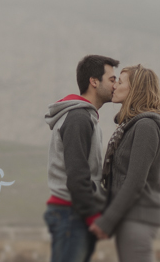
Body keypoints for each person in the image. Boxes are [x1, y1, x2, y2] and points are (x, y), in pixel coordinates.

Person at [89, 65, 160, 262]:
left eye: (120, 82)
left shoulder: (146, 126)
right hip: (130, 215)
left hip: (138, 216)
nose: (114, 86)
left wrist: (107, 221)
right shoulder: (132, 125)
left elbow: (135, 181)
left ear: (135, 88)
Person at [44, 54, 120, 262]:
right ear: (94, 81)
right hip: (71, 214)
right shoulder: (78, 118)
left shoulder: (86, 116)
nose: (115, 85)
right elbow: (77, 174)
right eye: (111, 79)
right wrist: (92, 216)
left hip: (74, 213)